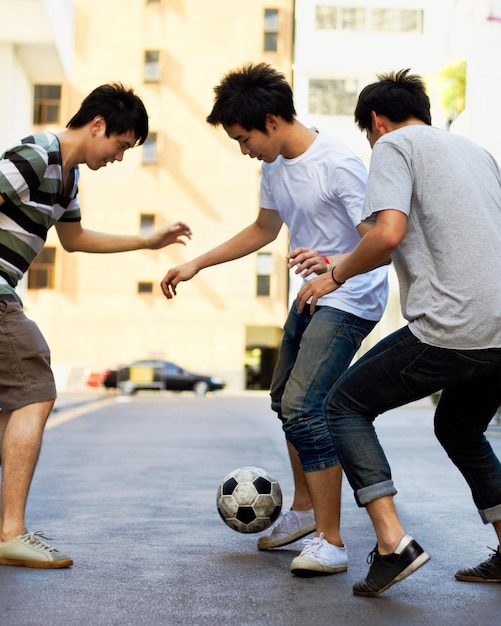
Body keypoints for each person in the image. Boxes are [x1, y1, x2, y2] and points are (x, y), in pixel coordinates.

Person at [161, 63, 388, 575]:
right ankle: (305, 512)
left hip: (351, 296)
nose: (244, 150)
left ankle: (332, 541)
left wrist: (335, 268)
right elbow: (264, 228)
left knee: (306, 406)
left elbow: (379, 238)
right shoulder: (275, 165)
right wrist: (199, 262)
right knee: (283, 400)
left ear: (271, 120)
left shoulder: (339, 164)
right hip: (311, 296)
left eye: (244, 139)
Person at [296, 68, 501, 596]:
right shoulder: (474, 153)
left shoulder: (393, 146)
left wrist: (334, 275)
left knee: (341, 405)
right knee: (459, 427)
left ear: (378, 123)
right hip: (499, 330)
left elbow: (387, 235)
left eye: (367, 135)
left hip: (452, 327)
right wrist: (340, 258)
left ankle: (392, 543)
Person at [0, 83, 192, 568]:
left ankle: (7, 527)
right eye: (121, 146)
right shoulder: (38, 154)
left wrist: (146, 243)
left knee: (9, 410)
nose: (120, 157)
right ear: (98, 125)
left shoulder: (67, 180)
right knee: (35, 391)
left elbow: (77, 240)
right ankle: (10, 533)